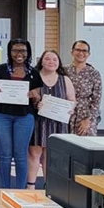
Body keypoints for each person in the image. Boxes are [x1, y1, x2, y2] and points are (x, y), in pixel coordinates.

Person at [0, 38, 42, 189]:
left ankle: (20, 190)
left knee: (20, 154)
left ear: (28, 53)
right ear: (10, 52)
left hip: (24, 116)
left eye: (23, 51)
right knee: (5, 154)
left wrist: (35, 95)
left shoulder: (33, 73)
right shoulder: (1, 69)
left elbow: (37, 97)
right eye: (15, 50)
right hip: (2, 115)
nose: (19, 54)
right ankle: (5, 188)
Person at [27, 50, 75, 189]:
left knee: (50, 155)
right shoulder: (34, 77)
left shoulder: (64, 79)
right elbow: (26, 97)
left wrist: (70, 108)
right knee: (34, 153)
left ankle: (50, 186)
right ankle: (31, 185)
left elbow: (72, 99)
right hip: (38, 121)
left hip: (57, 122)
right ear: (41, 61)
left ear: (59, 62)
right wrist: (36, 103)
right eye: (48, 59)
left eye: (55, 59)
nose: (51, 62)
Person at [63, 40, 102, 136]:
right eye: (78, 50)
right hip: (65, 112)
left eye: (84, 51)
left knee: (86, 144)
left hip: (85, 114)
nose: (81, 53)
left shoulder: (94, 73)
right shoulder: (63, 70)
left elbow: (96, 100)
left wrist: (88, 120)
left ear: (88, 54)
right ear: (72, 52)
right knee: (65, 144)